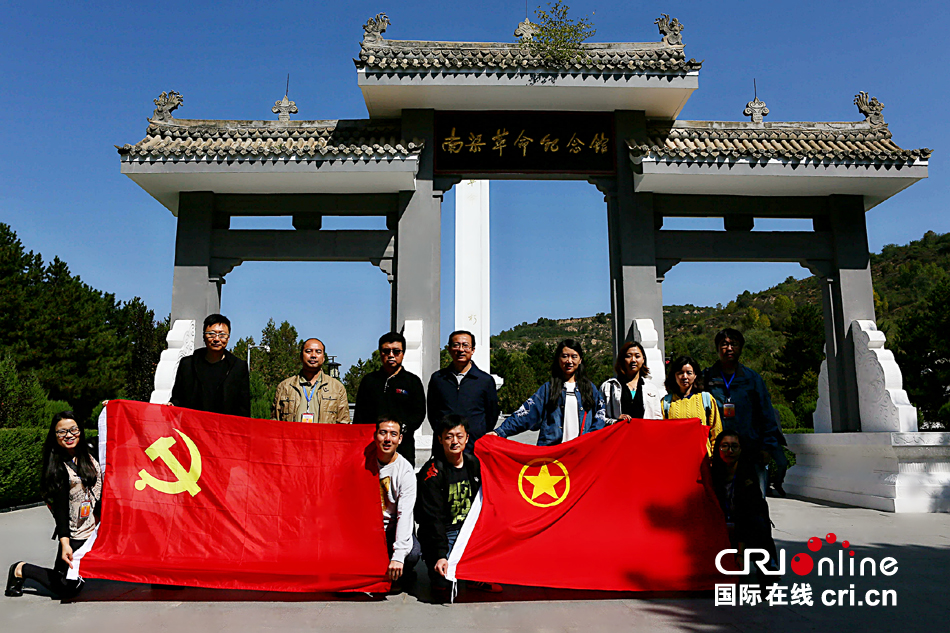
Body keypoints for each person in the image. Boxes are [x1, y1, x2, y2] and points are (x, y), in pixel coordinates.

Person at [6, 412, 102, 599]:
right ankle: (21, 569)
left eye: (73, 429)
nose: (69, 435)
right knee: (67, 587)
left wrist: (110, 409)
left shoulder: (91, 450)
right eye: (62, 432)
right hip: (76, 532)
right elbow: (60, 510)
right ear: (55, 436)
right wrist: (65, 542)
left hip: (97, 526)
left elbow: (119, 433)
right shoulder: (58, 468)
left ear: (80, 431)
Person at [416, 415, 500, 597]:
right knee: (442, 587)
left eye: (459, 436)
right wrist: (440, 554)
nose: (455, 441)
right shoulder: (432, 473)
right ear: (440, 439)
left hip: (470, 532)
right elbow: (433, 520)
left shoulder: (475, 464)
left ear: (467, 438)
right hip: (443, 533)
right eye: (449, 436)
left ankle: (474, 574)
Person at [703, 328, 782, 497]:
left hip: (750, 451)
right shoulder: (706, 378)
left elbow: (766, 414)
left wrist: (767, 447)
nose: (729, 348)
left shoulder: (753, 379)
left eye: (734, 344)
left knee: (753, 501)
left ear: (741, 348)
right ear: (717, 349)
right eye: (724, 344)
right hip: (717, 452)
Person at [490, 339, 606, 446]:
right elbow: (526, 414)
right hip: (553, 453)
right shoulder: (548, 389)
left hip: (580, 452)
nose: (569, 361)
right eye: (565, 356)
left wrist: (589, 438)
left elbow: (600, 417)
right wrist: (500, 432)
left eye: (574, 357)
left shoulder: (590, 389)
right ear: (558, 359)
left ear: (580, 360)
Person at [710, 430, 779, 582]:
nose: (729, 451)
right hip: (719, 523)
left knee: (759, 521)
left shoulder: (748, 476)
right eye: (725, 446)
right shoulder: (712, 474)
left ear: (741, 449)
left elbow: (746, 514)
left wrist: (740, 553)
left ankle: (767, 565)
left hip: (745, 524)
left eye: (734, 446)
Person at [354, 332, 426, 465]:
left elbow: (419, 413)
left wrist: (398, 432)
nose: (391, 355)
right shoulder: (369, 381)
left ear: (403, 353)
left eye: (396, 351)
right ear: (380, 353)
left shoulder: (412, 381)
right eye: (386, 351)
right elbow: (359, 416)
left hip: (403, 448)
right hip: (371, 447)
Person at [426, 331, 499, 455]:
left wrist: (476, 432)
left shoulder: (485, 381)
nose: (461, 349)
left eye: (465, 345)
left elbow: (492, 415)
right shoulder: (438, 378)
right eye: (456, 345)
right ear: (449, 349)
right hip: (444, 448)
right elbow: (432, 412)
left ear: (473, 350)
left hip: (474, 448)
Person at [169, 314, 250, 417]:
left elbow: (243, 408)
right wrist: (172, 405)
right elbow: (177, 398)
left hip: (224, 429)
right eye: (211, 334)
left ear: (228, 338)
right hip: (192, 428)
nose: (216, 339)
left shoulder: (238, 368)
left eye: (222, 335)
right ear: (204, 336)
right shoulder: (187, 364)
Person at [374, 416, 421, 590]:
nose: (388, 439)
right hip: (367, 529)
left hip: (391, 528)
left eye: (393, 434)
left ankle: (401, 572)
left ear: (400, 439)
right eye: (383, 433)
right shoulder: (363, 461)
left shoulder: (405, 471)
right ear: (375, 435)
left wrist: (399, 555)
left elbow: (405, 514)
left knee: (412, 553)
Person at [272, 338, 350, 423]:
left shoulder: (337, 388)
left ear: (323, 358)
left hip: (324, 436)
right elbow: (275, 423)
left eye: (318, 352)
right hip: (293, 436)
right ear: (301, 356)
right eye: (308, 351)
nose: (313, 355)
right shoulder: (285, 387)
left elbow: (343, 423)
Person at [661, 355, 723, 457]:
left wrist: (714, 457)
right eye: (680, 373)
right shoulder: (666, 403)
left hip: (703, 460)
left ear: (695, 375)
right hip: (676, 459)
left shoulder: (706, 400)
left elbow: (716, 432)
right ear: (674, 376)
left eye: (689, 373)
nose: (684, 376)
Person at [599, 341, 662, 422]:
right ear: (622, 359)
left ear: (643, 359)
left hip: (644, 433)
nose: (633, 360)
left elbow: (658, 419)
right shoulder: (608, 387)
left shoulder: (651, 389)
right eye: (628, 356)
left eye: (637, 356)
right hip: (620, 434)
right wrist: (615, 422)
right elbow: (599, 417)